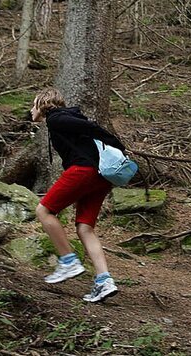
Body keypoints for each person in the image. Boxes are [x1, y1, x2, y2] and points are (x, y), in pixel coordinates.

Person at [30, 88, 126, 303]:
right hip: (101, 178)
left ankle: (68, 261)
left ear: (42, 104)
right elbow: (88, 129)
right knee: (85, 228)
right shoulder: (66, 117)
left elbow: (90, 127)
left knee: (44, 210)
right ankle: (104, 280)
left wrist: (118, 146)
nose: (30, 110)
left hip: (83, 171)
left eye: (32, 105)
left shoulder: (56, 118)